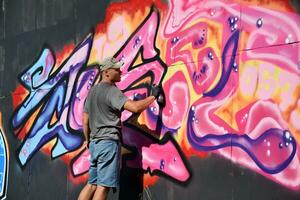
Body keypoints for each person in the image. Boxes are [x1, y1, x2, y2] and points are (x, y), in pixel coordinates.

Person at [78, 57, 163, 200]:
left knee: (92, 184)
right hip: (108, 144)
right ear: (106, 73)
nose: (120, 71)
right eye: (116, 69)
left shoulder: (92, 92)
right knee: (103, 186)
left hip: (95, 144)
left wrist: (87, 140)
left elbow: (85, 120)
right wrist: (153, 97)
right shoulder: (111, 91)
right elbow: (135, 107)